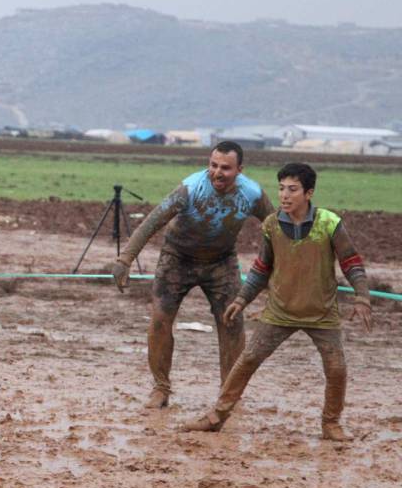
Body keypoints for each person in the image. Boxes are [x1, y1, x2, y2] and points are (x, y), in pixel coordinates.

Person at [182, 163, 371, 441]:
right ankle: (216, 417)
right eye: (281, 188)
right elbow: (261, 268)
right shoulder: (271, 225)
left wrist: (362, 297)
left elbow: (352, 263)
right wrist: (242, 300)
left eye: (292, 189)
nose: (284, 195)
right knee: (247, 360)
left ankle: (331, 424)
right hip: (280, 310)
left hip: (321, 313)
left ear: (308, 193)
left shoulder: (330, 224)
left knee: (336, 368)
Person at [111, 141, 274, 409]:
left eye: (225, 168)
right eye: (213, 165)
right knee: (160, 319)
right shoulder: (190, 188)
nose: (217, 173)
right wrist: (125, 259)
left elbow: (274, 228)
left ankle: (229, 392)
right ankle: (161, 387)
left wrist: (276, 270)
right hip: (177, 258)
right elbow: (153, 221)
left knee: (232, 321)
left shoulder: (253, 194)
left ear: (240, 170)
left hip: (221, 262)